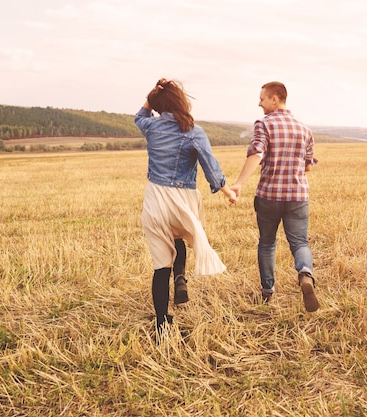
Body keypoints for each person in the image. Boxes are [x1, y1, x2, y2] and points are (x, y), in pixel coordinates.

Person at [135, 78, 237, 335]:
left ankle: (162, 323)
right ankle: (181, 278)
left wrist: (153, 94)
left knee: (161, 264)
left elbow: (140, 115)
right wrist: (227, 191)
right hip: (182, 200)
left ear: (159, 105)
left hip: (155, 200)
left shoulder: (151, 127)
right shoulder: (193, 131)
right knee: (180, 236)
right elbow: (210, 167)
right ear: (182, 101)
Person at [230, 81, 319, 312]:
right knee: (300, 242)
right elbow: (308, 167)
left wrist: (239, 183)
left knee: (267, 243)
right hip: (298, 196)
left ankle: (267, 291)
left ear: (275, 99)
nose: (259, 103)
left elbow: (257, 152)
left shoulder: (264, 124)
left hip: (269, 195)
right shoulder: (304, 129)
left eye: (262, 98)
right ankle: (305, 274)